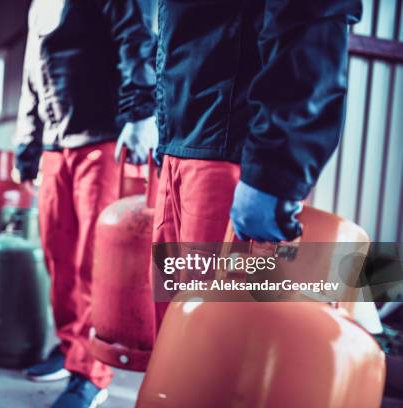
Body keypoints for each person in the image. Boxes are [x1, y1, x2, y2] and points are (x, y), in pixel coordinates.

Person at [152, 0, 362, 325]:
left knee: (217, 343)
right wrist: (163, 123)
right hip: (182, 144)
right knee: (174, 336)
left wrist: (275, 170)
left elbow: (309, 17)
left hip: (230, 156)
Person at [14, 0, 157, 406]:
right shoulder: (38, 6)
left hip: (101, 136)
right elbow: (31, 71)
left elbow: (136, 36)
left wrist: (141, 111)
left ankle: (92, 374)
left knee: (92, 264)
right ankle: (69, 347)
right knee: (57, 259)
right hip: (55, 144)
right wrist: (27, 144)